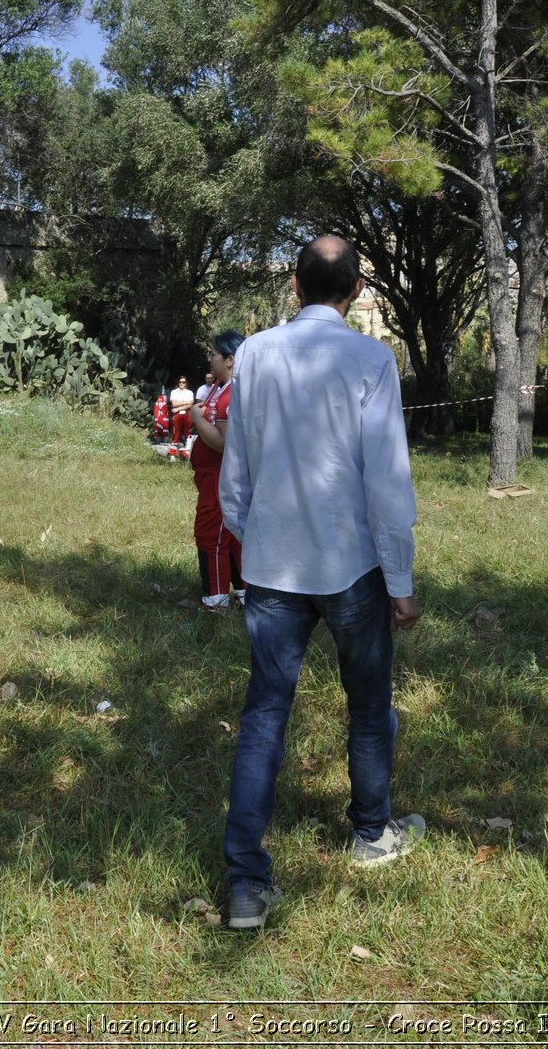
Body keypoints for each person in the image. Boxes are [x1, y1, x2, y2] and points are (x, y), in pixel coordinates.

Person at [218, 235, 423, 930]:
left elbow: (235, 470)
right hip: (352, 566)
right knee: (368, 705)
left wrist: (255, 539)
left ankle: (246, 881)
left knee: (264, 714)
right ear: (358, 291)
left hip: (272, 568)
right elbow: (386, 480)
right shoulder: (371, 359)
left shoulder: (254, 353)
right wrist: (400, 578)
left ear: (297, 287)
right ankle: (371, 832)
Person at [191, 331, 246, 613]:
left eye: (214, 354)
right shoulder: (219, 388)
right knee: (232, 538)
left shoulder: (230, 394)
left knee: (212, 536)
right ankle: (244, 594)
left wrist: (196, 419)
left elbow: (224, 445)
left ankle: (215, 602)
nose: (209, 358)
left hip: (221, 481)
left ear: (230, 360)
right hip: (210, 480)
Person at [169, 375, 196, 446]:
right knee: (176, 432)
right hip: (177, 414)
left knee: (187, 432)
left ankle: (188, 450)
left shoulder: (189, 392)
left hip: (186, 413)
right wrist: (186, 402)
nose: (181, 383)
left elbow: (190, 405)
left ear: (186, 383)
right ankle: (173, 452)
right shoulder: (174, 392)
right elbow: (174, 404)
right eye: (180, 382)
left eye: (183, 382)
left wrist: (178, 408)